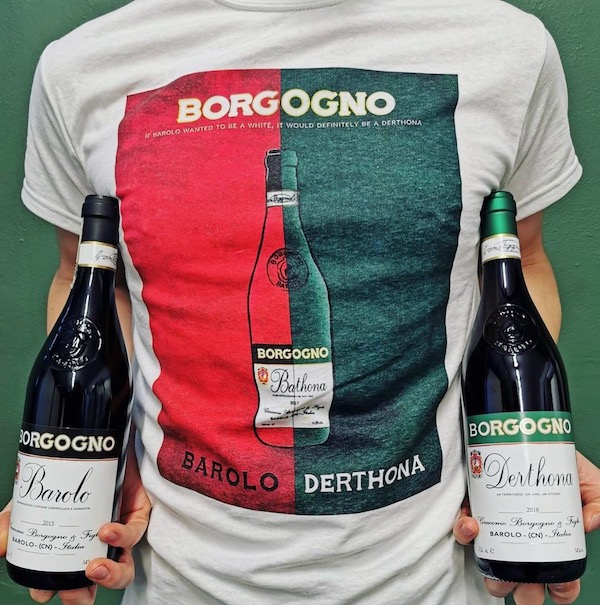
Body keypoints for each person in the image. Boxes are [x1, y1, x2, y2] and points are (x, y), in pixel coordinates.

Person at [1, 0, 600, 603]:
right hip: (177, 581)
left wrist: (520, 435)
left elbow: (522, 265)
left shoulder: (507, 47)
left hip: (432, 579)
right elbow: (86, 286)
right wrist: (91, 460)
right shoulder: (84, 66)